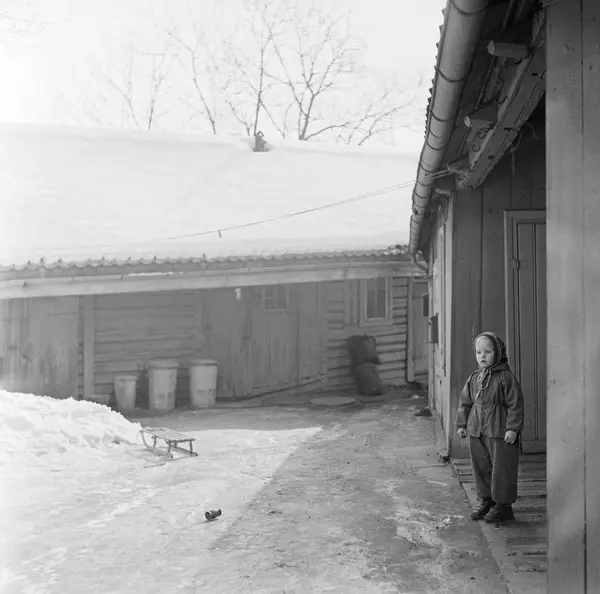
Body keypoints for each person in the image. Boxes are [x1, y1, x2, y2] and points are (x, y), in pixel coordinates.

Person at [456, 332, 524, 523]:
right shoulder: (474, 378)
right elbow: (465, 402)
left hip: (499, 431)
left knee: (502, 468)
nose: (482, 356)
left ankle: (503, 505)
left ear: (498, 352)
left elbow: (515, 404)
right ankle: (487, 501)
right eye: (479, 352)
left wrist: (512, 428)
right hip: (477, 430)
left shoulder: (505, 377)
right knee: (481, 466)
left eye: (488, 351)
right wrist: (462, 424)